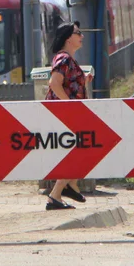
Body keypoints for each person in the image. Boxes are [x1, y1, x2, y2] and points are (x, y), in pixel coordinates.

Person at [44, 22, 89, 211]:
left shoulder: (67, 59)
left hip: (66, 114)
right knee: (76, 149)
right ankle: (62, 190)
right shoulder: (64, 59)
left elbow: (66, 84)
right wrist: (69, 106)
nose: (82, 36)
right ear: (68, 38)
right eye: (78, 33)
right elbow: (54, 84)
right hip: (64, 115)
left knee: (75, 149)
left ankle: (65, 188)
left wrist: (83, 81)